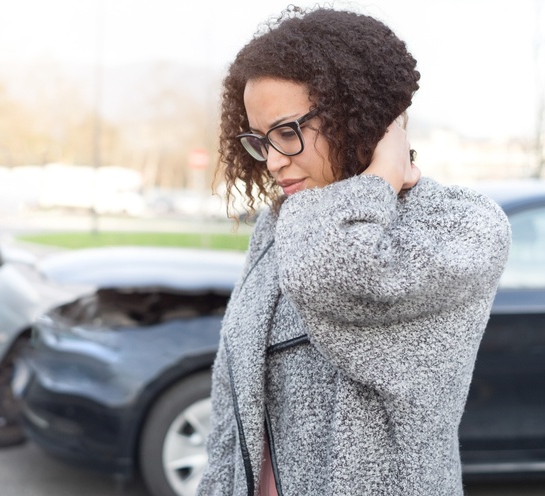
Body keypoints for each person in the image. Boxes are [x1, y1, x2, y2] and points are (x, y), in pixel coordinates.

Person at [196, 6, 511, 496]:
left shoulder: (462, 225)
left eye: (287, 132)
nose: (274, 162)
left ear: (357, 115)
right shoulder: (282, 225)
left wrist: (379, 176)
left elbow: (337, 275)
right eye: (261, 141)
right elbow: (231, 406)